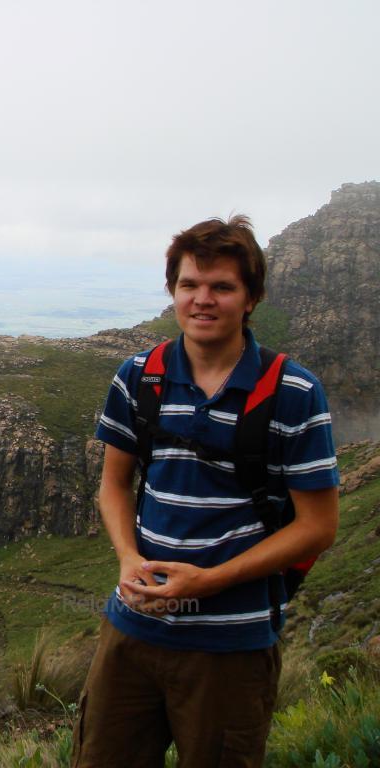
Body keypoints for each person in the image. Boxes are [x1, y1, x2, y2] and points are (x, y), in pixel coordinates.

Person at [71, 215, 339, 768]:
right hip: (132, 633)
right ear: (172, 290)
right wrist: (127, 560)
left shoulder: (293, 392)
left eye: (222, 286)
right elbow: (114, 485)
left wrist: (210, 581)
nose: (203, 300)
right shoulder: (138, 376)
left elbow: (319, 526)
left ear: (251, 298)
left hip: (231, 648)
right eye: (190, 285)